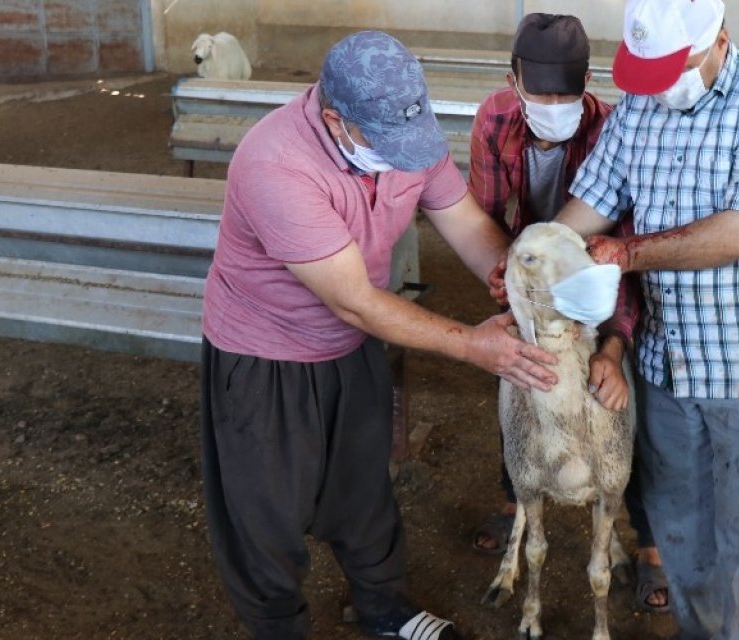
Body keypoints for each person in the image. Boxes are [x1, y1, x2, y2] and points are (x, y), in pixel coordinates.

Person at [199, 31, 559, 640]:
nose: (402, 156)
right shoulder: (276, 163)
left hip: (351, 347)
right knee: (266, 512)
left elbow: (466, 223)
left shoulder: (403, 132)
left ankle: (386, 611)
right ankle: (278, 628)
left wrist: (518, 288)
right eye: (385, 144)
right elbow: (356, 301)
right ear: (336, 120)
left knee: (364, 488)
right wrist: (473, 344)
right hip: (267, 356)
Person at [551, 0, 739, 636]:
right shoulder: (643, 104)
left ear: (720, 41)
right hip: (666, 361)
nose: (656, 87)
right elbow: (590, 203)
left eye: (670, 68)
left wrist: (628, 253)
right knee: (677, 524)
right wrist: (534, 258)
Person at [466, 12, 669, 614]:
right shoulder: (494, 120)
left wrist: (613, 343)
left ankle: (648, 539)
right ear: (514, 80)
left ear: (587, 86)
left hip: (599, 271)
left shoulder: (611, 127)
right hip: (528, 269)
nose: (554, 104)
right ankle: (518, 501)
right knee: (522, 382)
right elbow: (486, 220)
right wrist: (514, 295)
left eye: (567, 93)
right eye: (540, 92)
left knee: (623, 398)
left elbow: (625, 239)